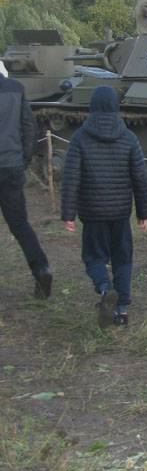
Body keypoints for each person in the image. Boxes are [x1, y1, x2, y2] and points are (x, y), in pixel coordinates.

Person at [60, 86, 147, 327]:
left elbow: (71, 178)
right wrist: (143, 213)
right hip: (120, 213)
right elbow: (140, 178)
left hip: (92, 212)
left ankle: (104, 288)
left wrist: (68, 214)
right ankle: (121, 309)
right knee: (123, 259)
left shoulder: (80, 138)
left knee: (94, 257)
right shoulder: (129, 138)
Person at [0, 62, 52, 298]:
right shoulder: (17, 88)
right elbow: (29, 127)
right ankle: (41, 268)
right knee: (20, 224)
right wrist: (23, 159)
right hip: (12, 165)